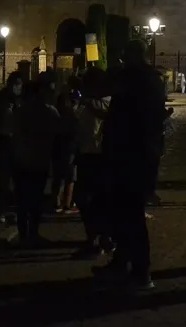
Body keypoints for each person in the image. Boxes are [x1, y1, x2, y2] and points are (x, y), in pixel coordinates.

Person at [93, 40, 167, 290]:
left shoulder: (135, 79)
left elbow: (125, 111)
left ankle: (140, 271)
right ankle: (123, 262)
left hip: (130, 155)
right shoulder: (152, 80)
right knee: (125, 213)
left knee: (131, 215)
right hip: (140, 154)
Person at [10, 80, 61, 247]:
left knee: (25, 201)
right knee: (34, 200)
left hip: (25, 161)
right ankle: (31, 233)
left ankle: (26, 234)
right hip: (36, 161)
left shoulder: (22, 111)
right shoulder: (49, 112)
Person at [73, 68, 114, 258]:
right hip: (86, 155)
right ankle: (98, 238)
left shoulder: (106, 103)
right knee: (86, 199)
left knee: (95, 200)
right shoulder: (86, 104)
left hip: (99, 156)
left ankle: (99, 239)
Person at [0, 71, 24, 224]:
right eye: (15, 84)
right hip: (3, 141)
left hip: (17, 142)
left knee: (18, 180)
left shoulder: (22, 100)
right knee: (3, 179)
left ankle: (16, 210)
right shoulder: (0, 98)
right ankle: (1, 210)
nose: (17, 87)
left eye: (19, 84)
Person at [51, 88, 79, 213]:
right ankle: (67, 204)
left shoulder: (55, 112)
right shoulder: (71, 114)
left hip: (57, 146)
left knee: (57, 176)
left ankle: (56, 202)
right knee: (70, 177)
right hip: (69, 147)